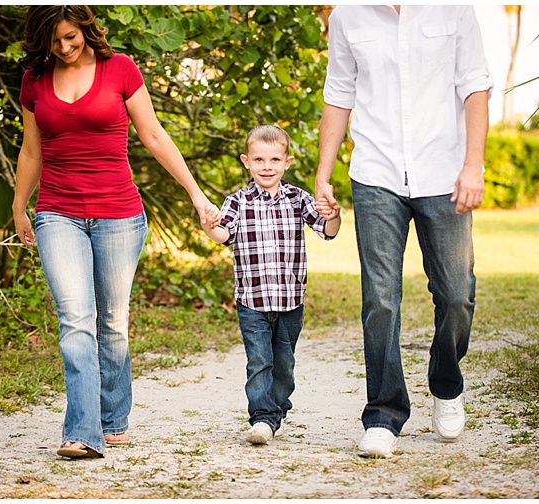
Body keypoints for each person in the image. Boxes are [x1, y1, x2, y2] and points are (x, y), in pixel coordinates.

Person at [12, 5, 216, 459]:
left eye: (71, 37)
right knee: (75, 320)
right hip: (57, 212)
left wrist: (197, 196)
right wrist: (19, 207)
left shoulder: (119, 68)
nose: (65, 47)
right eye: (55, 40)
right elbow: (31, 150)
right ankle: (82, 432)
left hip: (119, 214)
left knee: (112, 322)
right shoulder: (34, 81)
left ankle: (113, 417)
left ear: (84, 29)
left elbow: (155, 135)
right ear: (42, 39)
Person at [315, 5, 493, 458]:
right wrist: (323, 175)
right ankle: (383, 413)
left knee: (456, 292)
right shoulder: (348, 16)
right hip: (375, 172)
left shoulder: (454, 8)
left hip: (444, 171)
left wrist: (474, 165)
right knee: (380, 298)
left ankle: (447, 384)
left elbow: (475, 86)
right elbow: (339, 94)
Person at [202, 125, 341, 445]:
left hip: (291, 301)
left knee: (284, 364)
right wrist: (209, 228)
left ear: (287, 162)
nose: (267, 166)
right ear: (246, 161)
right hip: (252, 300)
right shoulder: (236, 202)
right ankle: (263, 417)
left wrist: (333, 215)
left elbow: (328, 230)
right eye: (259, 159)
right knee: (259, 361)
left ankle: (276, 408)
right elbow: (224, 234)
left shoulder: (298, 198)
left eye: (275, 159)